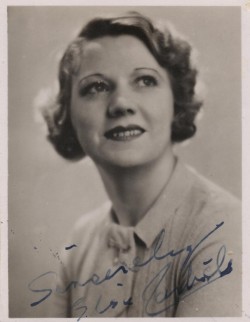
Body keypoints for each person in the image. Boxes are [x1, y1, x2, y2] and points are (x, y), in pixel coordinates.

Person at [41, 11, 241, 318]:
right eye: (95, 87)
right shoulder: (81, 242)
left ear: (177, 101)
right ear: (67, 115)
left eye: (145, 80)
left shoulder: (226, 229)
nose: (121, 103)